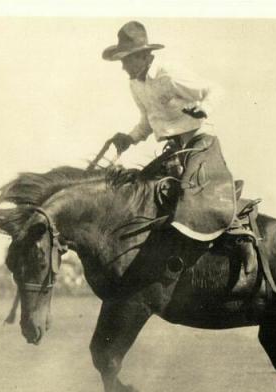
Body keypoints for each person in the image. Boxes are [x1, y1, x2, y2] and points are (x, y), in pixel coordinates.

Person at [99, 21, 256, 272]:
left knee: (193, 196)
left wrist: (203, 108)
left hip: (200, 143)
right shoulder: (135, 85)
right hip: (173, 149)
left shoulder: (168, 73)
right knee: (146, 191)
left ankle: (241, 235)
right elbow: (147, 121)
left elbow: (214, 89)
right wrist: (129, 138)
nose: (123, 66)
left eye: (126, 60)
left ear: (142, 56)